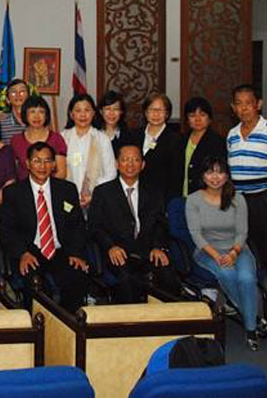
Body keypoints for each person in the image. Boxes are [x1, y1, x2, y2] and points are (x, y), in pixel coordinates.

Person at [0, 142, 89, 312]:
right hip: (30, 252)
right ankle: (39, 330)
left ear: (54, 164)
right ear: (27, 164)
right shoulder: (14, 192)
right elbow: (6, 230)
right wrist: (22, 253)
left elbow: (77, 225)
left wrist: (76, 253)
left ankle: (66, 327)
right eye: (37, 161)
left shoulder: (66, 189)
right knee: (37, 286)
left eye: (48, 161)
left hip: (61, 251)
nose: (42, 166)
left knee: (76, 277)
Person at [186, 156, 263, 351]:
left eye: (220, 172)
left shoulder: (238, 198)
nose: (215, 177)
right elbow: (196, 235)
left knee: (246, 278)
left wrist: (234, 253)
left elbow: (242, 232)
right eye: (210, 172)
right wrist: (217, 256)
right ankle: (252, 323)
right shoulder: (193, 200)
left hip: (237, 248)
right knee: (227, 273)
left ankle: (249, 325)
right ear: (203, 176)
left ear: (227, 176)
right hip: (207, 250)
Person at [89, 144, 181, 304]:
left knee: (169, 278)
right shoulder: (103, 192)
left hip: (147, 251)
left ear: (142, 164)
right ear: (117, 164)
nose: (130, 164)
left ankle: (165, 326)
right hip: (119, 253)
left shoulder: (154, 191)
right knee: (127, 281)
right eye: (125, 160)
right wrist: (110, 246)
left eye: (135, 160)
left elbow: (160, 224)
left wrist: (157, 246)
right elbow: (95, 226)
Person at [227, 84, 267, 271]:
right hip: (238, 201)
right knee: (244, 249)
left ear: (258, 104)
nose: (243, 108)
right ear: (233, 107)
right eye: (238, 104)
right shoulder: (232, 134)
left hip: (262, 199)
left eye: (248, 103)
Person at [62, 94, 116, 212]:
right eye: (78, 110)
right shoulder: (63, 137)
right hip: (67, 198)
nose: (83, 115)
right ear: (71, 114)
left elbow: (110, 173)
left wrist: (92, 194)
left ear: (93, 113)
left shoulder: (102, 139)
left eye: (87, 110)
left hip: (96, 199)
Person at [133, 92, 183, 201]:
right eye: (152, 110)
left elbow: (176, 176)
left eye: (160, 110)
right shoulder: (135, 135)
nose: (156, 114)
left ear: (167, 114)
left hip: (161, 199)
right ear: (146, 112)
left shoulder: (174, 139)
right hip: (135, 195)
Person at [10, 95, 67, 181]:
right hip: (23, 190)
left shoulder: (56, 139)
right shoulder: (16, 140)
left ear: (46, 115)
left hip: (50, 190)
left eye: (41, 112)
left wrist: (43, 187)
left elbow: (61, 173)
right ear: (25, 114)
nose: (37, 116)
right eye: (32, 112)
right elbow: (12, 172)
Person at [181, 97, 227, 197]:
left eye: (202, 115)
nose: (197, 119)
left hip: (205, 197)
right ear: (187, 119)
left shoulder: (217, 141)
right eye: (192, 115)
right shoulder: (181, 140)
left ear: (209, 118)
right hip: (181, 196)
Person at [93, 90, 133, 157]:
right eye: (108, 109)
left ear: (121, 112)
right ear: (101, 111)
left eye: (116, 109)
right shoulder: (93, 133)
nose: (111, 113)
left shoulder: (128, 136)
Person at [0, 78, 29, 143]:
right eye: (13, 92)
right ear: (7, 99)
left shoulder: (37, 119)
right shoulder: (1, 120)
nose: (18, 95)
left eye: (22, 91)